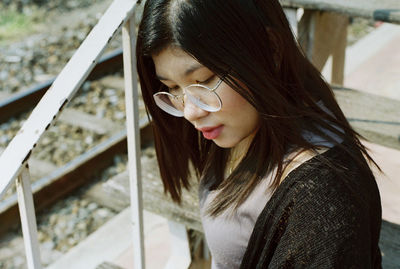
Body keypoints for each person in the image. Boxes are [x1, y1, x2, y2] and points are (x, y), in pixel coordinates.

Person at [136, 0, 382, 268]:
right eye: (172, 87)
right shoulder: (245, 123)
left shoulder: (320, 203)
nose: (190, 112)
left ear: (271, 48)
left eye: (204, 80)